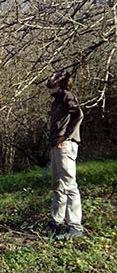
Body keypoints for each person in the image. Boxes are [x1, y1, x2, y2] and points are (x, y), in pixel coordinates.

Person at [45, 71, 84, 240]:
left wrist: (66, 136)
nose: (50, 79)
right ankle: (57, 221)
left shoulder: (67, 95)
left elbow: (78, 114)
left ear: (59, 83)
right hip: (57, 147)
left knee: (69, 185)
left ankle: (74, 226)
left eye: (54, 78)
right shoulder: (57, 100)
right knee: (57, 185)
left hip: (66, 146)